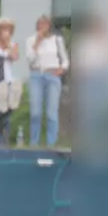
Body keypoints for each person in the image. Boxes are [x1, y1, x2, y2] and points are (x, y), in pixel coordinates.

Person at [25, 14, 69, 147]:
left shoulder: (57, 40)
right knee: (36, 112)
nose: (42, 27)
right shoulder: (31, 40)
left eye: (45, 24)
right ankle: (34, 143)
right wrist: (37, 42)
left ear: (49, 26)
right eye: (40, 24)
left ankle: (51, 143)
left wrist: (62, 69)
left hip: (52, 75)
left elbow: (65, 59)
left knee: (51, 113)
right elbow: (30, 59)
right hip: (36, 75)